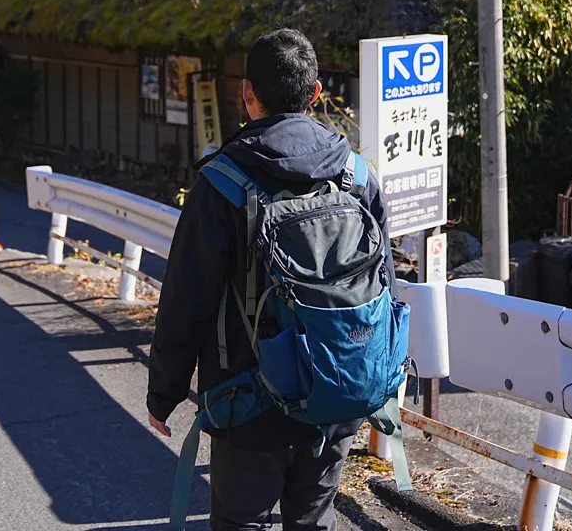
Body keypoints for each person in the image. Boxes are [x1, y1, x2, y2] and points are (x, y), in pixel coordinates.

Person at [146, 29, 393, 531]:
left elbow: (186, 301)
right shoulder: (357, 175)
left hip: (248, 402)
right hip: (336, 391)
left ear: (247, 93)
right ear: (316, 92)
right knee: (314, 521)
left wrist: (163, 393)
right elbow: (383, 284)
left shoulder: (222, 183)